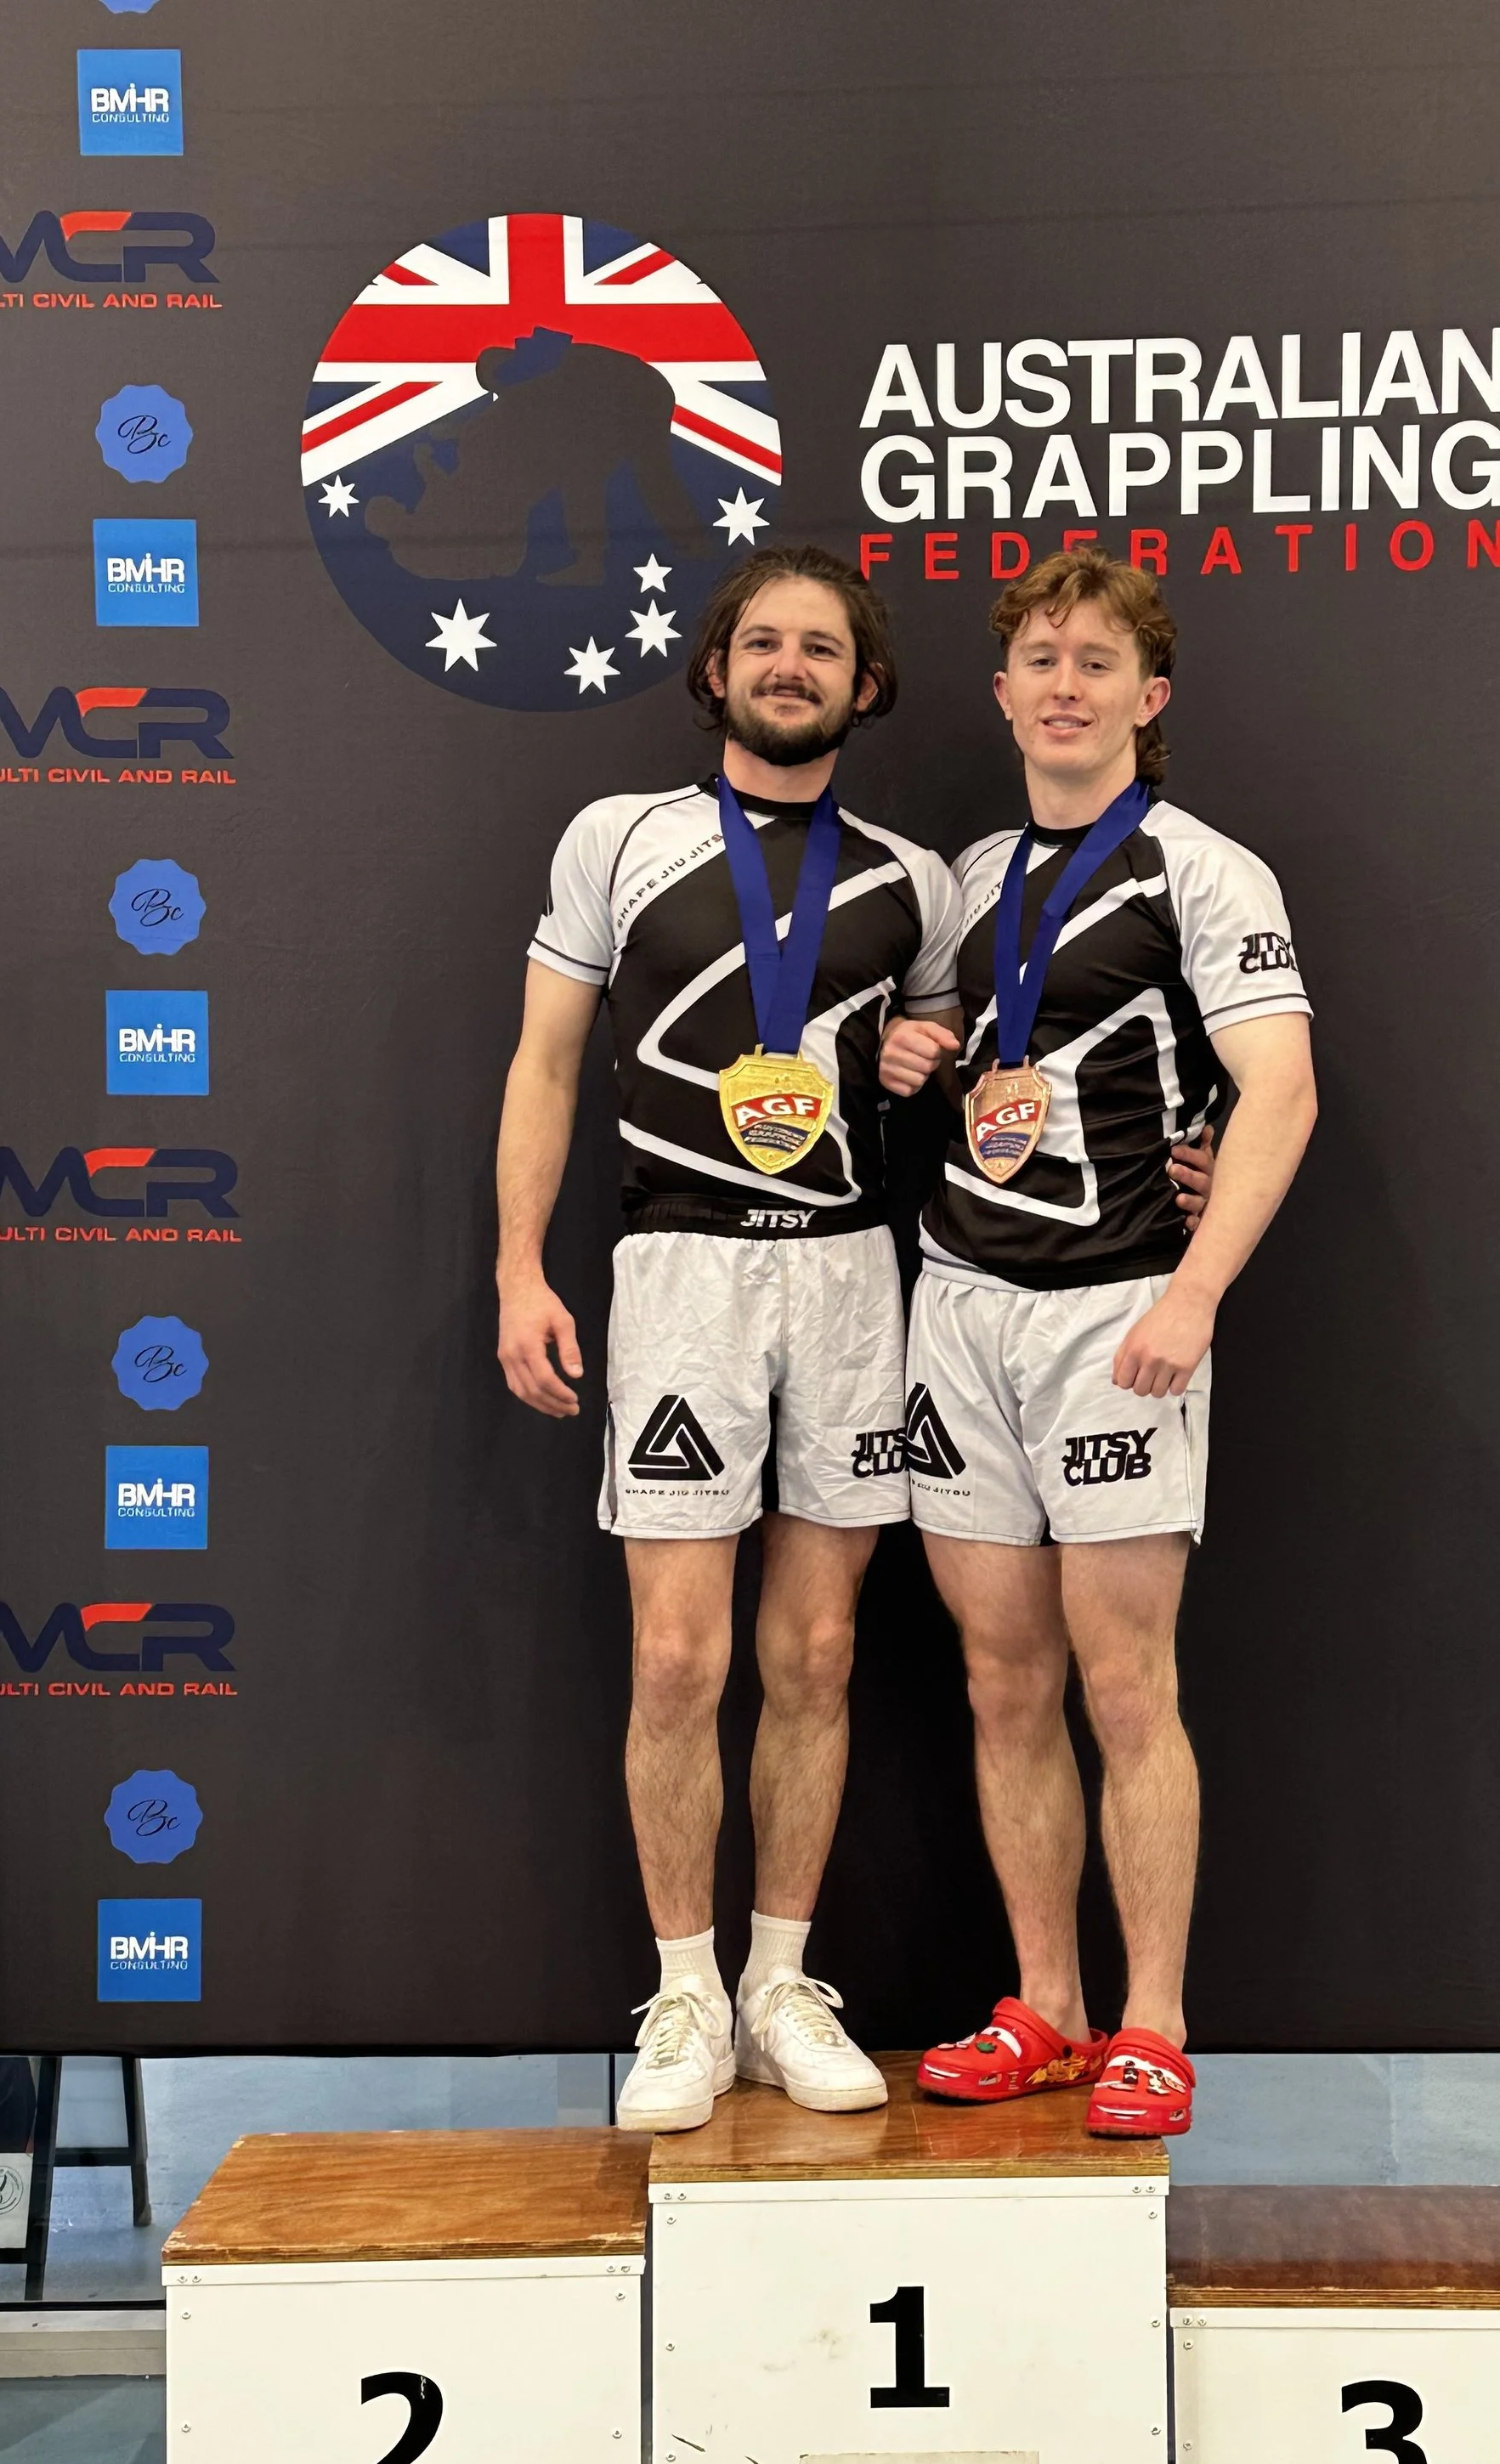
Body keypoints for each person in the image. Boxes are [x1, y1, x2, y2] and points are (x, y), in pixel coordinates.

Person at [494, 544, 962, 2133]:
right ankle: (684, 1993)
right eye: (762, 642)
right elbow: (546, 1065)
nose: (788, 667)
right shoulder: (618, 839)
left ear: (865, 685)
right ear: (714, 670)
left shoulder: (915, 880)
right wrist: (519, 1269)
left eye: (821, 648)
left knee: (817, 1653)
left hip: (847, 1278)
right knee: (680, 1656)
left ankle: (779, 1985)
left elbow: (947, 1044)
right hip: (680, 1268)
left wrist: (923, 1049)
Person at [880, 546, 1317, 2137]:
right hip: (958, 1310)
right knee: (1005, 1683)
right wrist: (911, 1044)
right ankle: (1048, 2008)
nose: (1067, 686)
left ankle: (1154, 2024)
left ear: (1151, 694)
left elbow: (1282, 1092)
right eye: (1043, 660)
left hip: (1118, 1315)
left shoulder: (1204, 871)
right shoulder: (968, 876)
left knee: (1128, 1688)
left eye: (1098, 662)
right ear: (1003, 694)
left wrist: (1195, 1291)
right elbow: (944, 1039)